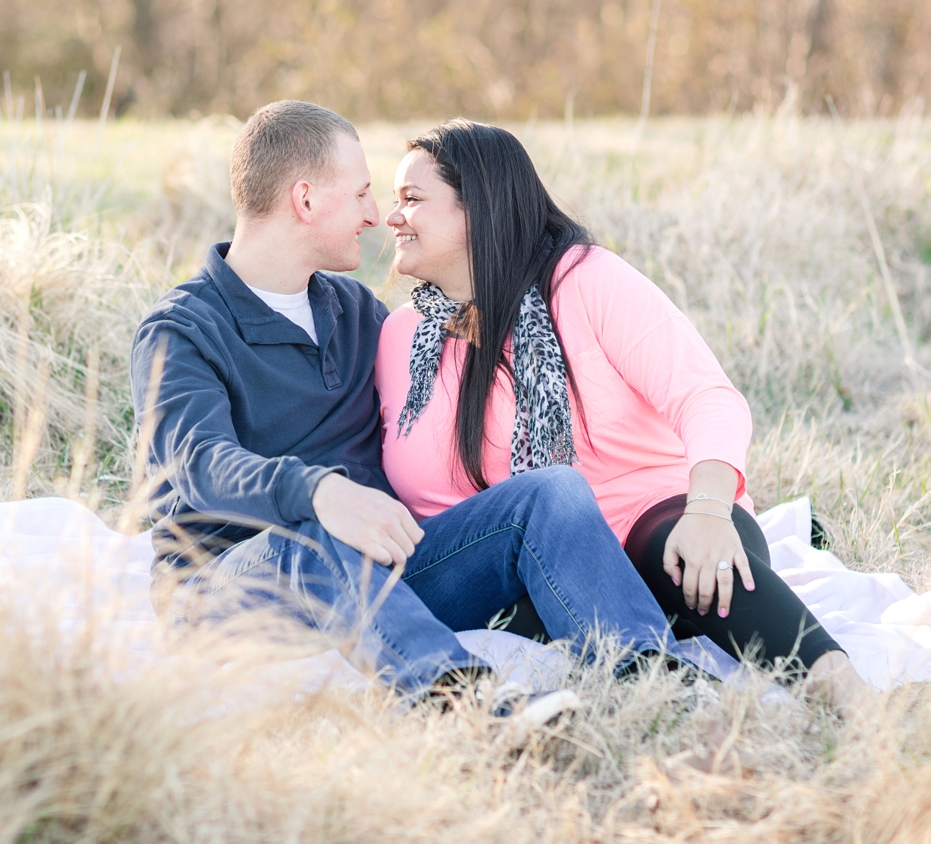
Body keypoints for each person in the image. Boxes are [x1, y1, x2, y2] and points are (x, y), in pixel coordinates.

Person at [131, 100, 678, 705]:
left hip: (383, 573)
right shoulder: (183, 329)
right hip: (229, 590)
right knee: (317, 530)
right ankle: (459, 700)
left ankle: (651, 679)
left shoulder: (357, 313)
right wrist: (319, 492)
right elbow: (198, 463)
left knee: (550, 492)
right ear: (306, 200)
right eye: (364, 193)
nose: (378, 216)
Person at [375, 118, 872, 716]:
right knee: (539, 598)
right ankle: (665, 688)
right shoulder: (401, 338)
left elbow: (706, 397)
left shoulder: (584, 281)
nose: (391, 216)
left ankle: (852, 700)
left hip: (653, 523)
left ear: (477, 206)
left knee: (690, 557)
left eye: (412, 199)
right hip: (519, 563)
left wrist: (709, 511)